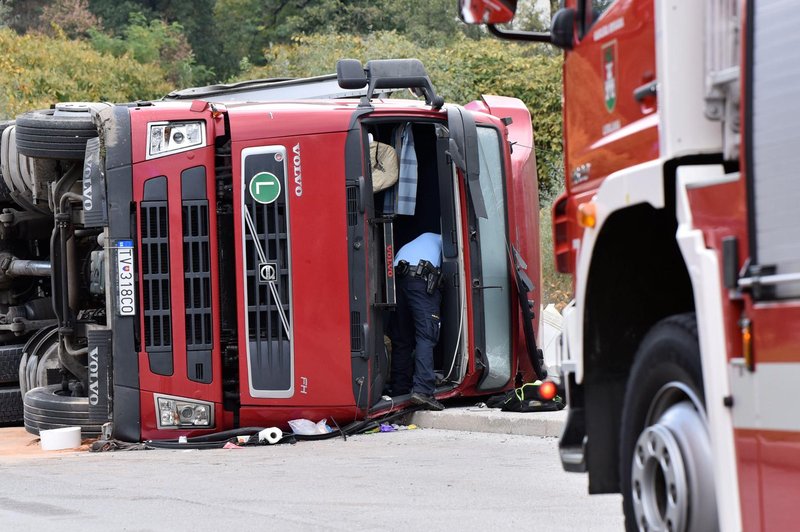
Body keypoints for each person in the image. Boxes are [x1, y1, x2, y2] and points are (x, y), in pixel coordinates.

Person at [388, 232, 444, 411]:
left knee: (402, 339)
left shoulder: (421, 239)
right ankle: (423, 390)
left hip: (397, 280)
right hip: (421, 278)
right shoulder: (447, 242)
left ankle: (399, 391)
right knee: (427, 334)